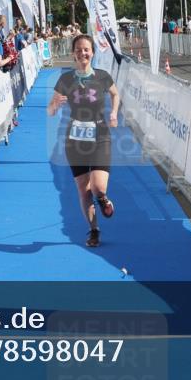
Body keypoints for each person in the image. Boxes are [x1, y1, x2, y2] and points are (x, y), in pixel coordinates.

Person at [47, 34, 119, 248]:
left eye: (86, 49)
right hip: (75, 139)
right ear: (73, 54)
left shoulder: (103, 77)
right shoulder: (65, 80)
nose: (82, 53)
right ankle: (94, 230)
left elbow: (116, 95)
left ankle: (103, 199)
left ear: (92, 53)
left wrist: (114, 113)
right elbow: (50, 111)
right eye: (78, 50)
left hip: (100, 136)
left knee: (97, 187)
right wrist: (55, 105)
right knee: (82, 189)